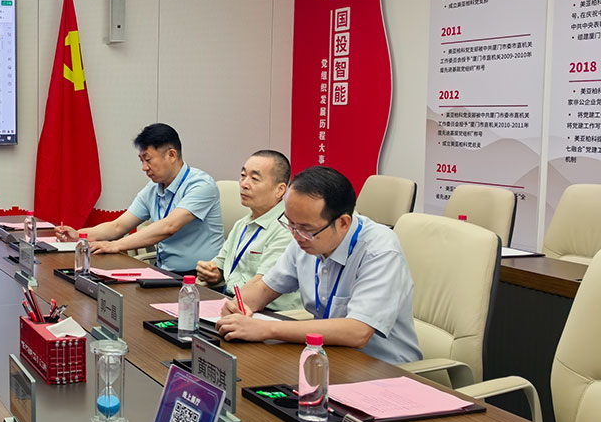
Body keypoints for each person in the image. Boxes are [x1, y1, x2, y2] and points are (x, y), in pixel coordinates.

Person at [214, 165, 421, 365]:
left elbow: (358, 331)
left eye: (306, 228)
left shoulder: (380, 251)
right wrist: (238, 306)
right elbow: (265, 288)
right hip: (326, 356)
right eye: (290, 223)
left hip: (383, 367)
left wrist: (266, 329)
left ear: (343, 223)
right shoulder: (303, 237)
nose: (296, 235)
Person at [54, 123, 221, 273]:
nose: (144, 168)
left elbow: (169, 227)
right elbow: (118, 226)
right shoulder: (153, 188)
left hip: (199, 278)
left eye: (148, 160)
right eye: (141, 161)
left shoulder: (201, 185)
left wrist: (115, 245)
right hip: (165, 272)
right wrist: (79, 235)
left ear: (171, 155)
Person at [196, 150, 302, 312]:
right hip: (234, 302)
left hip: (269, 312)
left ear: (280, 190)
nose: (244, 184)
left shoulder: (286, 228)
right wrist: (212, 272)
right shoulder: (242, 224)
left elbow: (263, 286)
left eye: (255, 179)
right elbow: (221, 266)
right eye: (243, 175)